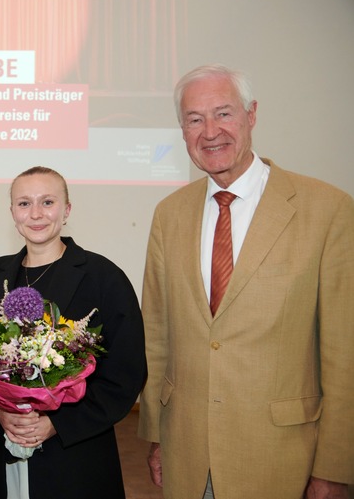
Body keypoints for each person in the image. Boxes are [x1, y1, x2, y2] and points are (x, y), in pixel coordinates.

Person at [137, 64, 354, 498]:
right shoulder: (169, 214)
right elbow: (157, 336)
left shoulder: (327, 210)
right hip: (188, 455)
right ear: (182, 131)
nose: (210, 131)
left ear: (252, 115)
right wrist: (157, 437)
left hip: (283, 459)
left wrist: (334, 466)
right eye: (194, 119)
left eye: (223, 113)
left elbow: (343, 352)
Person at [0, 166, 146, 499]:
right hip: (3, 458)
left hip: (76, 463)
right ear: (12, 213)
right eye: (24, 204)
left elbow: (126, 375)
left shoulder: (103, 277)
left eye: (47, 202)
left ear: (67, 210)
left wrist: (56, 424)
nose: (35, 214)